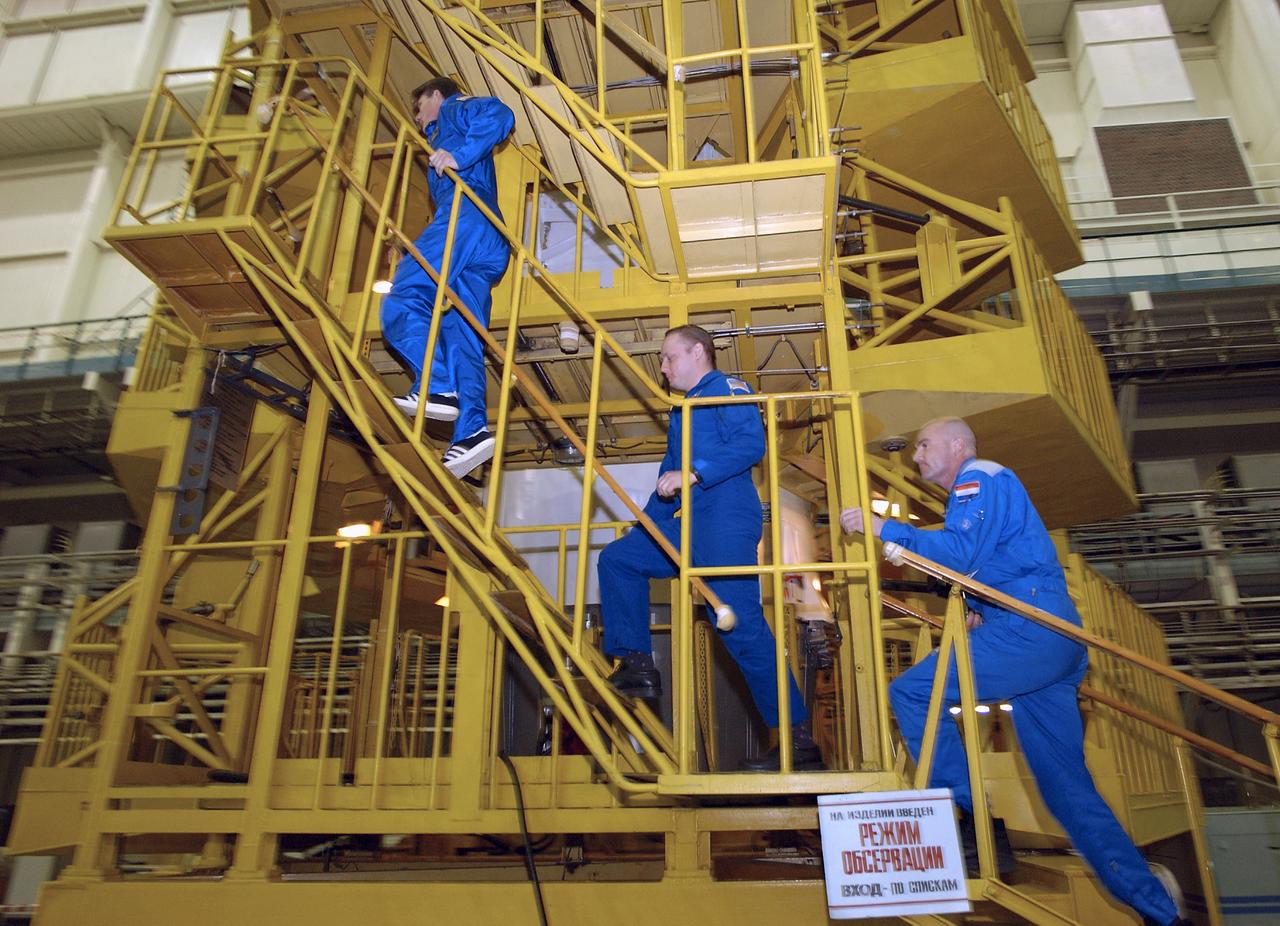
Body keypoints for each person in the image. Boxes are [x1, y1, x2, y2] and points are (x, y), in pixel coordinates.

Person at [839, 417, 1186, 926]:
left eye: (924, 445)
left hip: (1031, 631)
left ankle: (966, 816)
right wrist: (980, 604)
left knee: (912, 693)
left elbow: (960, 552)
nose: (916, 457)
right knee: (1067, 793)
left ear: (958, 445)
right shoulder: (981, 491)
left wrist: (880, 526)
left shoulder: (980, 477)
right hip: (1049, 640)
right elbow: (986, 563)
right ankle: (1161, 913)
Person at [597, 325, 819, 772]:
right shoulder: (684, 410)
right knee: (618, 559)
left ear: (698, 352)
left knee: (738, 625)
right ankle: (638, 661)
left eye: (667, 357)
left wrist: (694, 473)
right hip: (691, 522)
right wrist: (646, 526)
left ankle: (798, 739)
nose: (662, 368)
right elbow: (667, 482)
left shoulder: (726, 390)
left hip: (724, 518)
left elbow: (749, 444)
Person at [379, 77, 515, 478]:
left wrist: (457, 153)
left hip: (467, 219)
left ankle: (437, 384)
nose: (418, 121)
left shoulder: (453, 111)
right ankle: (471, 430)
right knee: (461, 335)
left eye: (419, 109)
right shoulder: (446, 133)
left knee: (403, 297)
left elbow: (500, 113)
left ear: (437, 96)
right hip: (483, 241)